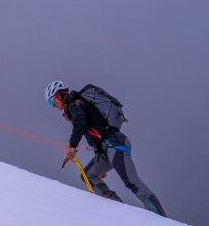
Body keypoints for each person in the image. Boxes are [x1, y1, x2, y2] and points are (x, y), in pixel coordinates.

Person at [45, 80, 167, 216]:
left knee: (131, 181)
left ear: (59, 95)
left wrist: (72, 146)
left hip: (116, 144)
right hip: (106, 149)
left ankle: (159, 215)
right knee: (88, 175)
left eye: (52, 101)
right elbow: (95, 133)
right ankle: (115, 208)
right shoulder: (76, 106)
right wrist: (101, 165)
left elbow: (80, 124)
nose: (53, 106)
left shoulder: (75, 104)